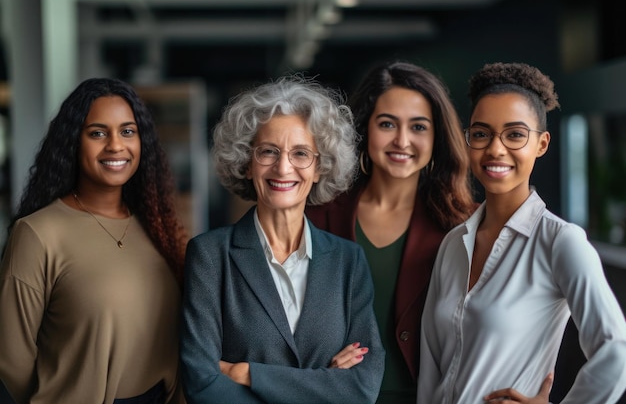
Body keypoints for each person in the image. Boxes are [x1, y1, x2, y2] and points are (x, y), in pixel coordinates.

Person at [418, 62, 626, 404]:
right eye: (481, 133)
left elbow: (615, 350)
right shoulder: (453, 244)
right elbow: (431, 368)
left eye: (514, 134)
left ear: (541, 144)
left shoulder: (561, 242)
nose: (495, 149)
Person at [180, 76, 385, 404]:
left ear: (319, 168)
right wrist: (324, 383)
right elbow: (202, 385)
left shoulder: (348, 261)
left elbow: (361, 388)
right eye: (268, 152)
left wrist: (248, 373)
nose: (283, 167)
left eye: (301, 153)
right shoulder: (209, 256)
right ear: (247, 163)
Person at [0, 78, 189, 404]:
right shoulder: (38, 234)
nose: (115, 145)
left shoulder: (156, 228)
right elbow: (10, 356)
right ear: (74, 142)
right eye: (98, 133)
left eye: (127, 131)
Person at [306, 61, 475, 403]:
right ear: (364, 129)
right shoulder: (316, 216)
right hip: (336, 395)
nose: (402, 140)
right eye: (387, 124)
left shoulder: (462, 227)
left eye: (418, 127)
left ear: (435, 137)